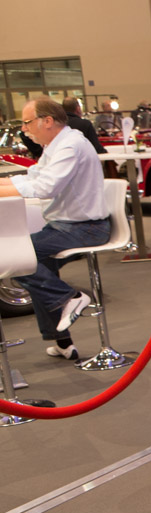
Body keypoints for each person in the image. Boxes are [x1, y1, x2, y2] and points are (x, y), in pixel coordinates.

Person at [0, 98, 109, 361]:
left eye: (27, 122)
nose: (25, 129)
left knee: (17, 257)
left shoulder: (70, 145)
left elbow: (46, 186)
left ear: (47, 121)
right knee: (37, 260)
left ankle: (68, 297)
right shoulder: (56, 145)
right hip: (69, 225)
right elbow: (35, 176)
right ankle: (62, 342)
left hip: (86, 228)